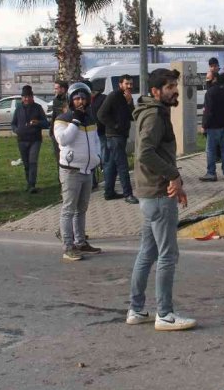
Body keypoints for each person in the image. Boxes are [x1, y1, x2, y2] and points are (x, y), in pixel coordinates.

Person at [127, 68, 195, 331]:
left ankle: (136, 309)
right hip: (157, 193)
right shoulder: (155, 115)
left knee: (148, 251)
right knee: (168, 254)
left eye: (174, 86)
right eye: (169, 87)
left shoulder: (151, 111)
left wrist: (175, 180)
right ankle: (164, 314)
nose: (175, 91)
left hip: (150, 193)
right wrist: (173, 175)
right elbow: (145, 153)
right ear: (156, 91)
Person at [54, 81, 103, 262]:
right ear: (70, 100)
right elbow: (63, 139)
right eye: (76, 98)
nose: (80, 101)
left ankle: (81, 241)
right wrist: (75, 120)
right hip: (71, 170)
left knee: (81, 209)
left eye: (83, 98)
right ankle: (68, 246)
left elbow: (96, 140)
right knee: (69, 209)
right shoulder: (63, 119)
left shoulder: (90, 119)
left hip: (88, 169)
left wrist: (98, 158)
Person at [98, 74, 138, 203]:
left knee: (112, 165)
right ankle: (128, 194)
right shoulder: (114, 96)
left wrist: (129, 102)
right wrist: (114, 125)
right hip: (114, 136)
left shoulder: (127, 97)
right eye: (127, 84)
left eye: (131, 84)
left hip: (121, 135)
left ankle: (109, 192)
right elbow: (101, 114)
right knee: (122, 165)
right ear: (120, 84)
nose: (129, 86)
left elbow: (132, 115)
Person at [11, 85, 49, 193]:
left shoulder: (38, 108)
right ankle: (28, 182)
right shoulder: (18, 108)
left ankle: (32, 184)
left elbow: (46, 123)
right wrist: (16, 130)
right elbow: (13, 124)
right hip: (22, 140)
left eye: (28, 96)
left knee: (32, 161)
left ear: (32, 97)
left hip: (35, 139)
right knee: (26, 163)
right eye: (24, 97)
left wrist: (38, 122)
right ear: (22, 98)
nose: (26, 99)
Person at [199, 72, 224, 182]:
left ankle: (211, 173)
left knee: (210, 150)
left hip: (214, 126)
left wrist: (204, 125)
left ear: (214, 79)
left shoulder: (210, 93)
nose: (206, 80)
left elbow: (208, 111)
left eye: (208, 78)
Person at [48, 79, 68, 164]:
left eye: (56, 88)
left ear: (63, 89)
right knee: (58, 157)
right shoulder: (56, 100)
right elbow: (54, 116)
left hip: (67, 131)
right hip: (57, 132)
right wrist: (51, 131)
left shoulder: (70, 100)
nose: (55, 90)